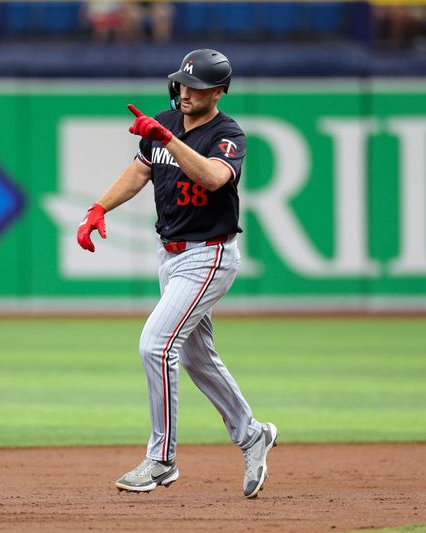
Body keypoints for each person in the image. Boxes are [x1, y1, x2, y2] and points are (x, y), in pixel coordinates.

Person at [76, 49, 278, 499]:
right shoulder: (166, 123)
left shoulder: (228, 135)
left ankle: (161, 460)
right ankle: (252, 435)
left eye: (198, 87)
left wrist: (166, 138)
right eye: (183, 84)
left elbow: (211, 178)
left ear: (219, 92)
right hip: (170, 255)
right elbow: (140, 169)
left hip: (209, 256)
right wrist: (98, 207)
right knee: (195, 357)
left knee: (155, 344)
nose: (187, 92)